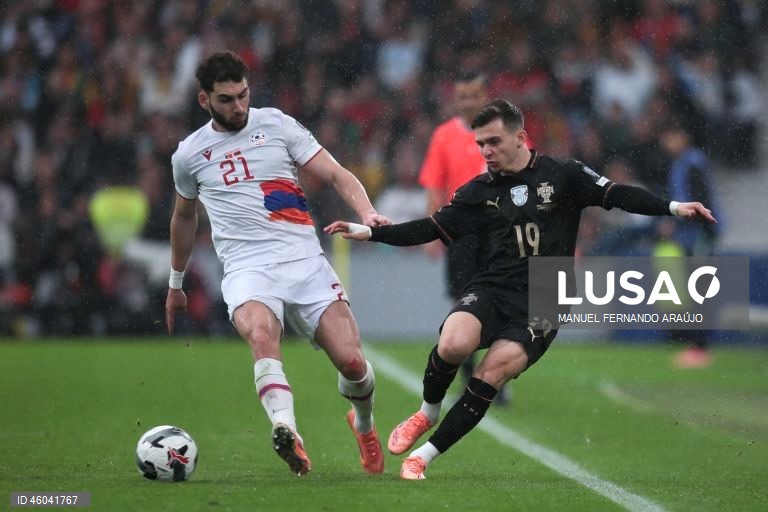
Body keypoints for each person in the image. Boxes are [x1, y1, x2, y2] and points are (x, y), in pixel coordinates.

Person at [325, 100, 716, 480]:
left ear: (521, 137)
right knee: (452, 344)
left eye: (493, 141)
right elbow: (428, 227)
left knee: (490, 373)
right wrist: (369, 232)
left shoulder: (564, 175)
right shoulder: (477, 191)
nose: (486, 151)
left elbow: (618, 194)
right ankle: (427, 413)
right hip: (495, 285)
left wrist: (673, 207)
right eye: (481, 144)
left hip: (546, 294)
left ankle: (422, 458)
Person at [165, 51, 389, 477]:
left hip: (303, 261)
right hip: (247, 269)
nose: (239, 106)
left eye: (243, 95)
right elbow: (183, 216)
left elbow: (338, 173)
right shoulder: (189, 155)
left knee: (353, 364)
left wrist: (368, 213)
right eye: (227, 99)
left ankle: (364, 425)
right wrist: (176, 282)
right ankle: (287, 429)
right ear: (203, 101)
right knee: (261, 334)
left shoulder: (277, 124)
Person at [418, 71, 509, 405]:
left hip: (500, 232)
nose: (468, 102)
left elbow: (527, 174)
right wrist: (432, 232)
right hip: (462, 233)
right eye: (463, 96)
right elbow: (434, 184)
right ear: (455, 99)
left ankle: (495, 377)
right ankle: (473, 372)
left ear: (486, 96)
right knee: (464, 301)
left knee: (498, 300)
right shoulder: (444, 136)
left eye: (474, 95)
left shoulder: (503, 131)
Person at [657, 120, 720, 368]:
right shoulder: (684, 162)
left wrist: (682, 222)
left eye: (669, 137)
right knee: (695, 291)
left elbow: (700, 200)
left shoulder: (692, 162)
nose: (666, 143)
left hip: (699, 235)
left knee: (700, 292)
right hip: (692, 235)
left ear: (681, 136)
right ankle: (696, 344)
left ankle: (700, 347)